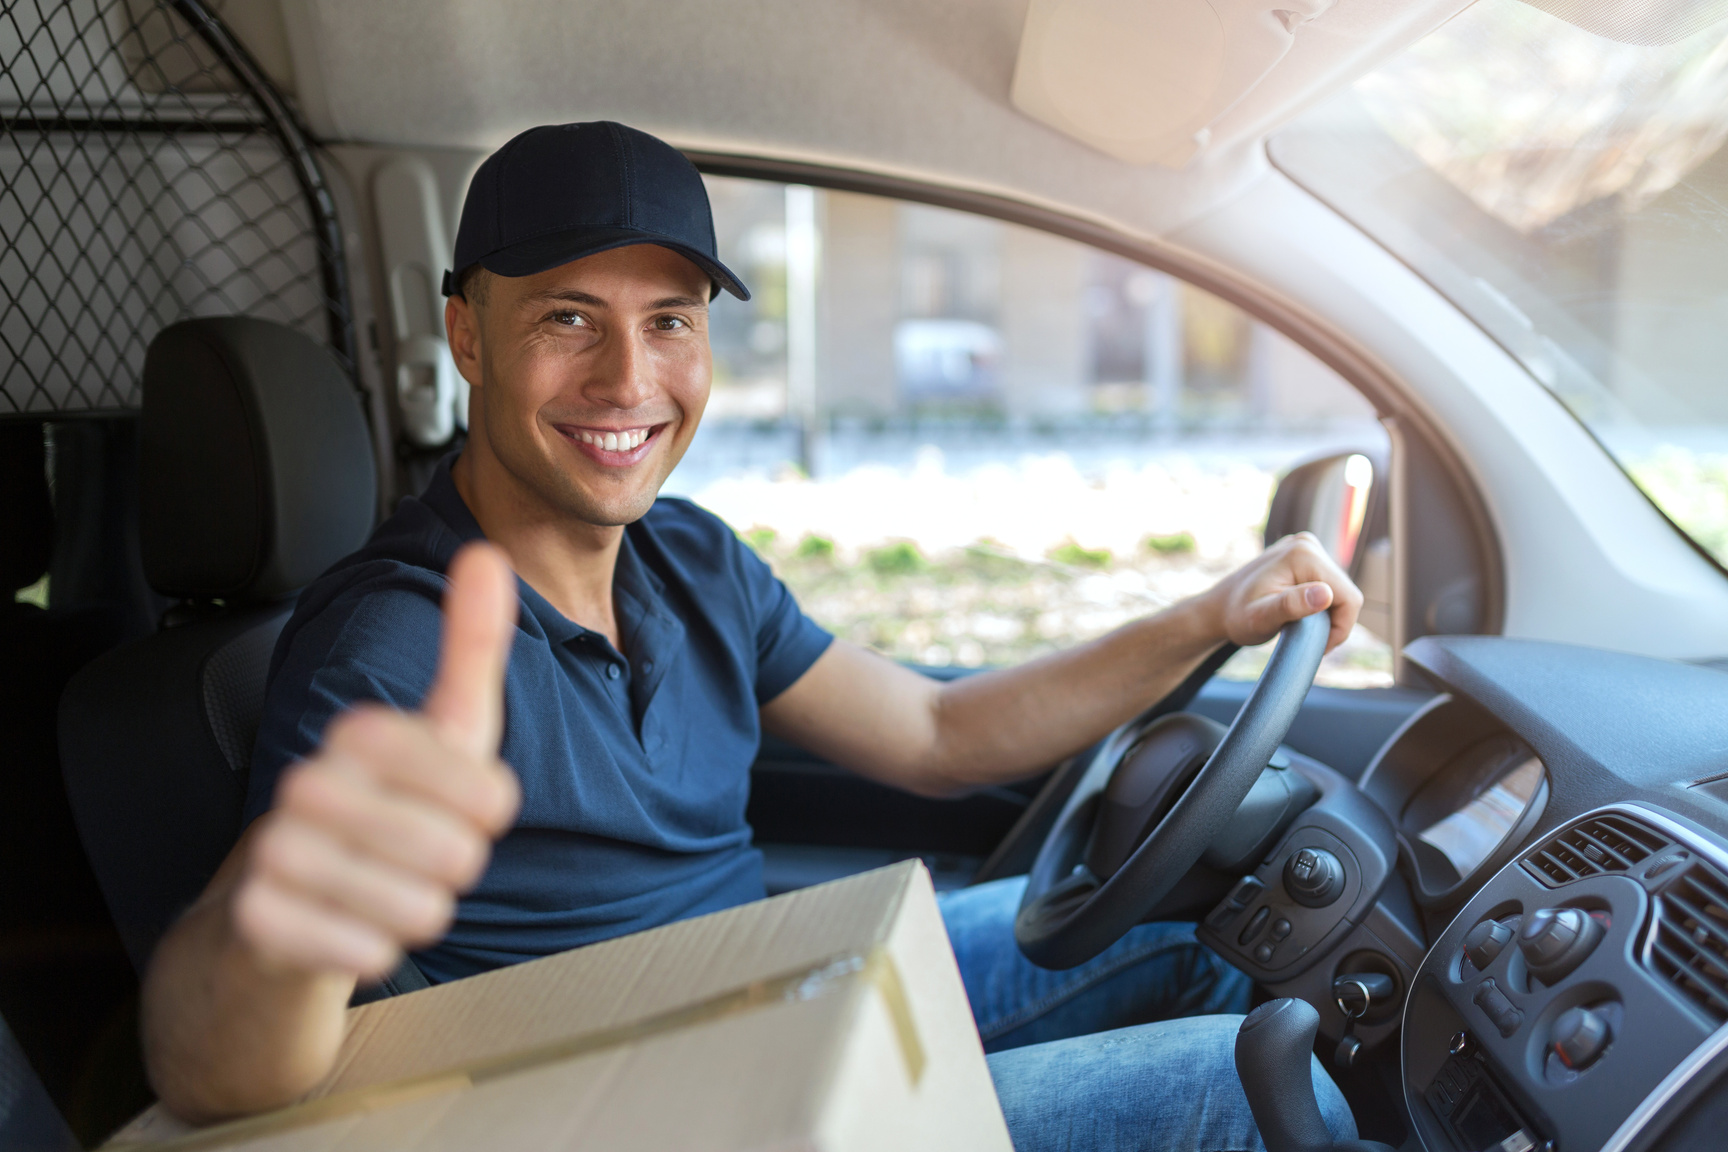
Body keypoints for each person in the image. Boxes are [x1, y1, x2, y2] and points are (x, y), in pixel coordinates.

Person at [142, 121, 1363, 1150]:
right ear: (468, 335)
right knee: (1263, 1084)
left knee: (1217, 938)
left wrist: (1212, 616)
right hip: (682, 1112)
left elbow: (939, 732)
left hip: (784, 983)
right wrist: (279, 933)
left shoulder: (693, 560)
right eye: (569, 318)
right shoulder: (395, 648)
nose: (629, 378)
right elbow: (218, 1070)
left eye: (668, 321)